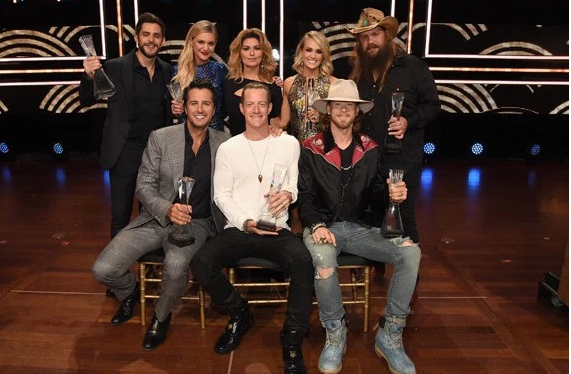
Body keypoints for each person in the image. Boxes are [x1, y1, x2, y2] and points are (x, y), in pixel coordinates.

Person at [91, 80, 230, 351]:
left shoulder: (225, 142)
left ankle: (161, 316)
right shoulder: (161, 137)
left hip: (197, 223)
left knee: (176, 268)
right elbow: (143, 185)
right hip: (155, 218)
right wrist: (167, 208)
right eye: (194, 103)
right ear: (184, 107)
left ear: (214, 109)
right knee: (103, 269)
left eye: (206, 104)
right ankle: (130, 292)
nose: (200, 109)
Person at [297, 79, 421, 374]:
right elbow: (305, 196)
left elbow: (377, 193)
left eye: (349, 105)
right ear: (328, 110)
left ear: (356, 112)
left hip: (361, 229)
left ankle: (390, 334)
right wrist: (315, 225)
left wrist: (393, 193)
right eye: (337, 104)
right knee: (324, 258)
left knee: (410, 253)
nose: (343, 109)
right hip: (323, 227)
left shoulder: (370, 148)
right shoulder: (310, 148)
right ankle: (335, 332)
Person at [190, 82, 313, 374]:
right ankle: (239, 311)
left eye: (262, 104)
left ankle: (292, 336)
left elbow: (294, 186)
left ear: (270, 108)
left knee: (304, 262)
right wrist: (246, 222)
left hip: (277, 228)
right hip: (239, 228)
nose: (256, 110)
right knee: (201, 262)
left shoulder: (288, 143)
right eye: (250, 105)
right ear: (242, 109)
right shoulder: (228, 148)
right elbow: (221, 195)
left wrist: (289, 196)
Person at [347, 8, 441, 243]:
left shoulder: (413, 67)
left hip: (402, 161)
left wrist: (408, 121)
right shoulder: (359, 74)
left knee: (403, 217)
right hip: (368, 160)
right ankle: (373, 270)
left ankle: (410, 275)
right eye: (364, 37)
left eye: (375, 35)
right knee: (368, 217)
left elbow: (433, 105)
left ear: (387, 36)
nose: (370, 42)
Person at [80, 13, 172, 239]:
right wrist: (89, 76)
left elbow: (167, 112)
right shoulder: (115, 67)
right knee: (120, 216)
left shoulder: (166, 70)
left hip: (155, 154)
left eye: (156, 36)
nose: (151, 40)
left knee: (151, 214)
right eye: (146, 34)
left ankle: (147, 263)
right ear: (137, 38)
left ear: (162, 40)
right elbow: (86, 100)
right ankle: (117, 269)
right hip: (124, 152)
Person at [223, 27, 283, 136]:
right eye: (246, 49)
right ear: (239, 53)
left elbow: (277, 123)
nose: (252, 53)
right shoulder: (227, 83)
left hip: (265, 146)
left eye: (257, 48)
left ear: (263, 52)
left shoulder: (273, 85)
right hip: (234, 145)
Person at [279, 31, 337, 141]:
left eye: (319, 52)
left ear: (324, 55)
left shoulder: (334, 84)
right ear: (301, 51)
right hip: (297, 150)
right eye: (308, 50)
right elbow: (283, 122)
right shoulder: (289, 83)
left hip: (326, 150)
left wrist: (324, 117)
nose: (313, 56)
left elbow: (343, 119)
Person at [171, 20, 228, 131]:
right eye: (201, 42)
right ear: (191, 41)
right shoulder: (177, 71)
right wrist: (177, 111)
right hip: (186, 136)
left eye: (211, 43)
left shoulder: (220, 70)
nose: (206, 48)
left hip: (215, 136)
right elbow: (176, 111)